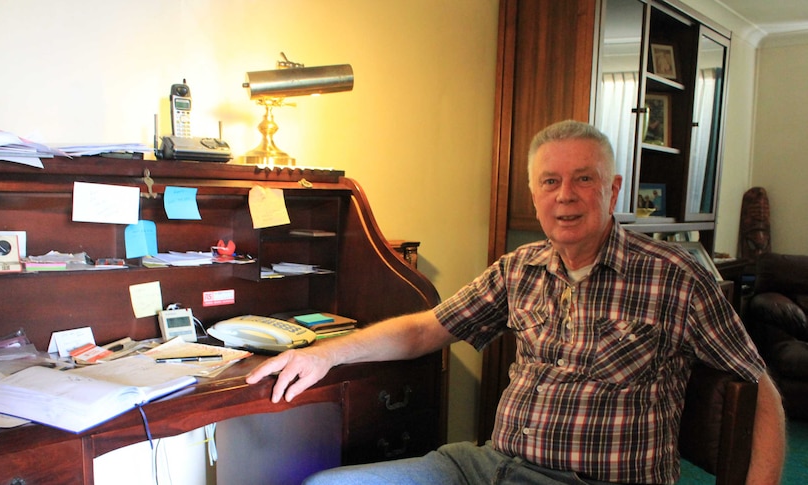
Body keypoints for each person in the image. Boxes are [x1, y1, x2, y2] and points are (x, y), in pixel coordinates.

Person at [246, 120, 786, 484]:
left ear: (613, 189)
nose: (565, 195)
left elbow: (757, 388)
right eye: (550, 181)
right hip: (488, 466)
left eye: (583, 179)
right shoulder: (520, 267)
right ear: (534, 193)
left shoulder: (675, 276)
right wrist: (325, 354)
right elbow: (424, 330)